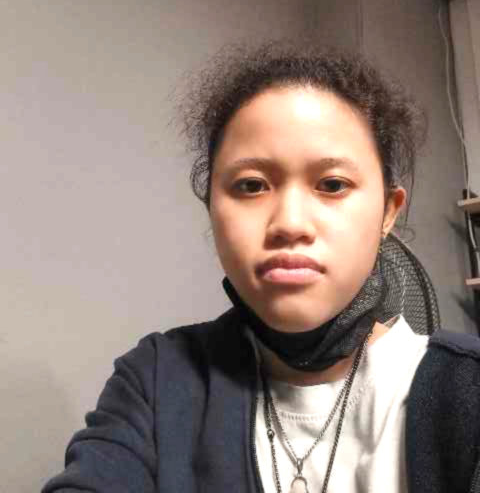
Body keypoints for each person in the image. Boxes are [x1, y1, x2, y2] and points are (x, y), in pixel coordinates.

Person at [42, 42, 480, 493]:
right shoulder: (155, 380)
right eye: (251, 186)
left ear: (388, 211)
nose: (289, 223)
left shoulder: (469, 388)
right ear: (211, 208)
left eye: (332, 184)